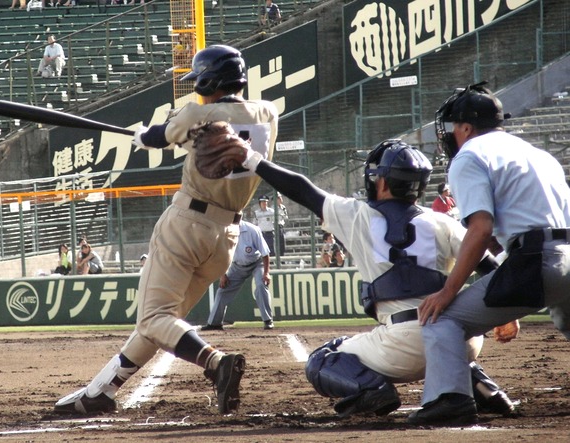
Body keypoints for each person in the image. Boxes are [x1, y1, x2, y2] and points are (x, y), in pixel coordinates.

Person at [54, 45, 278, 416]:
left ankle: (215, 362)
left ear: (210, 80)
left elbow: (164, 135)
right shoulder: (268, 114)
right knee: (161, 323)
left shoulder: (198, 112)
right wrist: (156, 134)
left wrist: (144, 136)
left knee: (154, 319)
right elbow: (198, 133)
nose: (197, 88)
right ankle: (101, 391)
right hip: (228, 237)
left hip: (187, 226)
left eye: (200, 81)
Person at [230, 137, 515, 418]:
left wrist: (251, 159)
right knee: (447, 336)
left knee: (323, 359)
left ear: (382, 182)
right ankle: (485, 388)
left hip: (402, 346)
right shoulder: (443, 221)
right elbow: (489, 267)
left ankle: (373, 389)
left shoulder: (356, 215)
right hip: (463, 341)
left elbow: (302, 190)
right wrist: (505, 314)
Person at [406, 82, 570, 426]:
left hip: (537, 261)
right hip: (562, 255)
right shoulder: (537, 153)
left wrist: (448, 290)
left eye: (453, 127)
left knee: (444, 317)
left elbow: (480, 230)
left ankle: (450, 399)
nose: (451, 134)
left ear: (466, 127)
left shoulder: (470, 155)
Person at [202, 220, 274, 331]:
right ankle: (214, 323)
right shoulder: (224, 232)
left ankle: (268, 320)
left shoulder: (253, 230)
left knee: (261, 285)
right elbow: (221, 256)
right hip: (237, 266)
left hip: (256, 263)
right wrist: (223, 275)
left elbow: (265, 253)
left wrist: (266, 273)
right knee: (223, 290)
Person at [275, 192, 288, 256]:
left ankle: (282, 257)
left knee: (282, 244)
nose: (280, 199)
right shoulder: (273, 208)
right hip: (275, 227)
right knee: (277, 244)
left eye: (280, 197)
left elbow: (286, 217)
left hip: (281, 227)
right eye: (279, 198)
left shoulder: (283, 207)